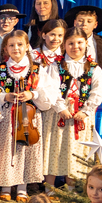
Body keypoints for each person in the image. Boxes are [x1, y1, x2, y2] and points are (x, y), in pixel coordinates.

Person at [0, 30, 51, 201]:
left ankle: (22, 187)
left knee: (26, 150)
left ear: (27, 46)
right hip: (8, 117)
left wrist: (32, 94)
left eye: (20, 44)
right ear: (6, 48)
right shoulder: (0, 69)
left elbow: (48, 91)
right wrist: (5, 96)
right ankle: (6, 186)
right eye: (11, 45)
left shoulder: (37, 69)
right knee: (7, 150)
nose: (16, 48)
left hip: (29, 117)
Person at [46, 28, 102, 183]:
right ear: (64, 45)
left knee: (77, 149)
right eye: (71, 43)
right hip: (58, 113)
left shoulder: (94, 68)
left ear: (86, 43)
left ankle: (72, 188)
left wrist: (86, 111)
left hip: (81, 114)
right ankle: (49, 188)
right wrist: (61, 108)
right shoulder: (55, 66)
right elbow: (51, 88)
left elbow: (98, 91)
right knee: (54, 148)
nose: (75, 46)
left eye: (79, 42)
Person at [31, 20, 67, 188]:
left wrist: (59, 105)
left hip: (59, 107)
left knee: (53, 146)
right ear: (43, 34)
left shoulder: (66, 56)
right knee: (37, 144)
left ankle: (55, 183)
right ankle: (34, 180)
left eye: (60, 35)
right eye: (52, 34)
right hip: (36, 105)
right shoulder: (33, 55)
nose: (55, 38)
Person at [65, 5, 102, 105]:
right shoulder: (65, 41)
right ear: (74, 23)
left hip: (92, 94)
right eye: (80, 20)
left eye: (89, 21)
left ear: (95, 25)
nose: (84, 24)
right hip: (66, 93)